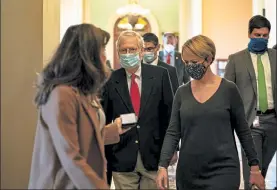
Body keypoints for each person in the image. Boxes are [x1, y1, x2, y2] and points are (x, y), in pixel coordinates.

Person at [156, 35, 265, 190]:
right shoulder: (182, 93)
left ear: (209, 59)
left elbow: (243, 131)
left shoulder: (229, 90)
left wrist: (254, 167)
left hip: (223, 170)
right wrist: (162, 166)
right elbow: (173, 132)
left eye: (194, 62)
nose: (189, 66)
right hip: (188, 172)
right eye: (186, 62)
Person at [28, 24, 128, 189]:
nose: (105, 56)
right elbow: (70, 155)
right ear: (88, 55)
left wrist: (113, 130)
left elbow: (84, 137)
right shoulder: (62, 94)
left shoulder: (83, 91)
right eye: (102, 50)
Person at [102, 30, 174, 189]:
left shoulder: (160, 75)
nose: (128, 54)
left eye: (132, 49)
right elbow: (104, 120)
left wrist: (172, 150)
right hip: (122, 157)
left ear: (141, 51)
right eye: (123, 50)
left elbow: (169, 116)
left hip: (154, 156)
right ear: (118, 52)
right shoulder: (110, 80)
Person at [224, 15, 276, 190]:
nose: (261, 39)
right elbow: (227, 93)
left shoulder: (275, 57)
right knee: (252, 172)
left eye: (265, 36)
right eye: (257, 35)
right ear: (249, 34)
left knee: (263, 169)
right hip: (250, 122)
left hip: (273, 120)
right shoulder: (236, 59)